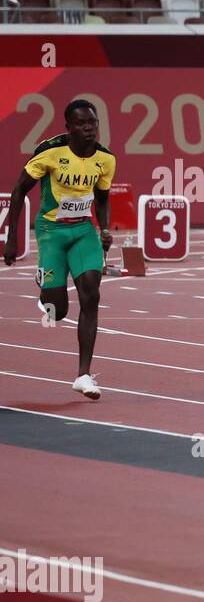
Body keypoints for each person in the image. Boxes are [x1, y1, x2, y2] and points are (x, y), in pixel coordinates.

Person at [2, 99, 115, 399]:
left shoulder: (105, 159)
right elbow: (18, 191)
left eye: (92, 122)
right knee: (57, 311)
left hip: (83, 231)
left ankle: (84, 375)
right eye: (81, 124)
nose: (88, 128)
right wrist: (12, 238)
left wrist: (104, 228)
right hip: (52, 230)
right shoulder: (50, 152)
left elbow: (102, 198)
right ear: (69, 128)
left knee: (91, 294)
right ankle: (45, 286)